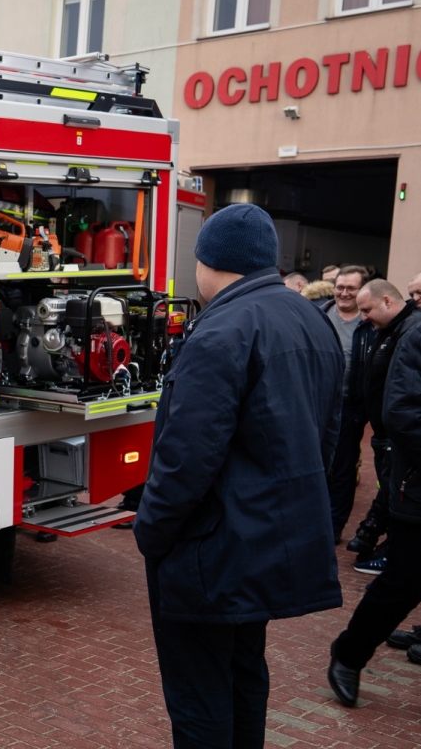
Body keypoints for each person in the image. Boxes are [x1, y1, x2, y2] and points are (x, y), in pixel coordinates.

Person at [135, 204, 343, 748]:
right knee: (245, 672)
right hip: (266, 540)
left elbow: (186, 458)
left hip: (210, 549)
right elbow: (328, 433)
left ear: (211, 261)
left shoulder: (222, 329)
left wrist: (150, 532)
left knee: (199, 694)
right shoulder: (310, 320)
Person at [328, 280, 421, 706]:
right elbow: (400, 412)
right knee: (404, 580)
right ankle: (349, 655)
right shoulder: (414, 336)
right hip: (415, 486)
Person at [345, 280, 420, 564]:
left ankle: (390, 552)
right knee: (388, 489)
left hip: (397, 436)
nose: (363, 317)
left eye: (367, 310)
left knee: (397, 495)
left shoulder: (411, 330)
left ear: (387, 301)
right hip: (385, 433)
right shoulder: (388, 329)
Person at [322, 266, 372, 542]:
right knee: (316, 463)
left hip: (350, 406)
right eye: (339, 287)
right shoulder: (321, 314)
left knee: (342, 468)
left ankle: (333, 526)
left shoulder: (369, 322)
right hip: (319, 403)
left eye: (350, 288)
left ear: (362, 290)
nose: (343, 293)